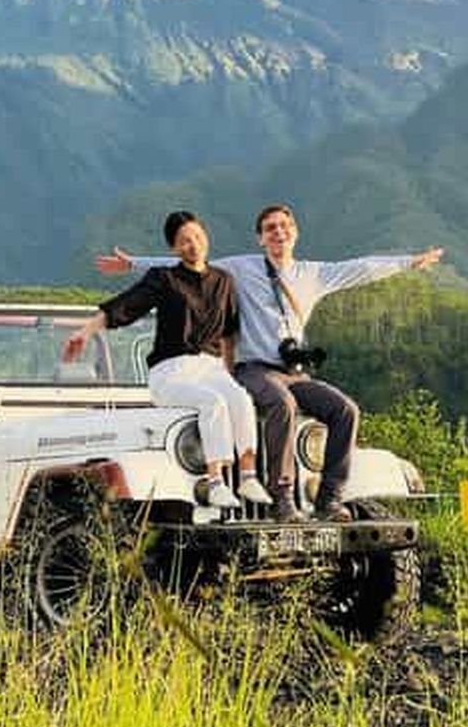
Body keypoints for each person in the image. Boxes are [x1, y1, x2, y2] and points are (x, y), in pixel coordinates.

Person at [96, 203, 443, 523]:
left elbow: (361, 268)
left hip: (293, 371)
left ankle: (329, 500)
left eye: (284, 226)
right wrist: (132, 264)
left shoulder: (314, 274)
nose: (278, 233)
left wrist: (410, 261)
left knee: (346, 410)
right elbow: (187, 260)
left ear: (295, 232)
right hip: (254, 369)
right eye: (270, 228)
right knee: (282, 404)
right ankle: (282, 498)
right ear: (260, 238)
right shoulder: (241, 268)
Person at [63, 210, 272, 511]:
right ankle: (215, 482)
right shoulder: (164, 278)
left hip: (210, 366)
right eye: (185, 241)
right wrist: (85, 331)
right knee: (212, 402)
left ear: (206, 238)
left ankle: (248, 476)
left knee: (238, 397)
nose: (194, 245)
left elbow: (228, 335)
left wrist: (229, 373)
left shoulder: (224, 281)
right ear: (174, 248)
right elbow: (126, 306)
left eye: (198, 237)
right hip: (170, 371)